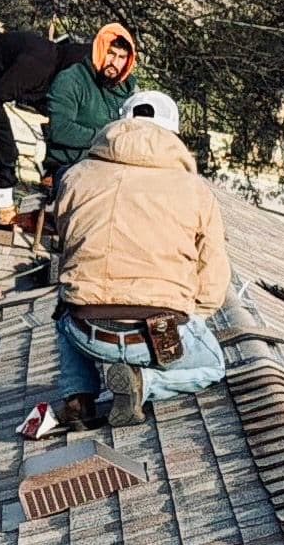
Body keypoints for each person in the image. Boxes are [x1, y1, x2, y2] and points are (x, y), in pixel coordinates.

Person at [28, 90, 227, 431]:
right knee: (214, 367)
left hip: (88, 332)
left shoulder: (76, 177)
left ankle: (79, 398)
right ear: (172, 134)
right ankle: (143, 383)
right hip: (159, 333)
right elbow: (213, 277)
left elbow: (67, 246)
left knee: (66, 305)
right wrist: (195, 317)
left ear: (118, 123)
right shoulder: (195, 190)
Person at [0, 25, 87, 210]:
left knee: (8, 154)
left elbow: (37, 100)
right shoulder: (37, 65)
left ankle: (4, 214)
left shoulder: (55, 71)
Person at [43, 22, 139, 176]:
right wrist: (109, 137)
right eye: (111, 53)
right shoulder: (71, 80)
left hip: (112, 170)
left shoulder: (130, 92)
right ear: (100, 50)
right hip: (70, 168)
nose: (114, 63)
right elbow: (60, 129)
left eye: (121, 57)